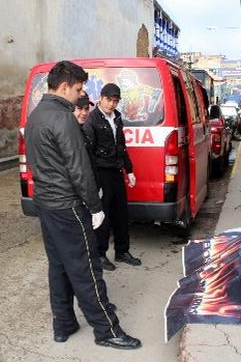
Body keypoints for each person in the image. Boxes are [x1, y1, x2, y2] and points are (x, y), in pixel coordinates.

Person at [25, 61, 141, 349]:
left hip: (47, 205)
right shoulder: (63, 118)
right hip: (68, 206)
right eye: (78, 89)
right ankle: (107, 330)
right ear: (64, 86)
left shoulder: (37, 115)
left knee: (60, 266)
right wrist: (96, 206)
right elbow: (79, 169)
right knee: (87, 268)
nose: (80, 95)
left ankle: (63, 324)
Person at [84, 83, 141, 271]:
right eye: (109, 100)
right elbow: (89, 154)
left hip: (116, 171)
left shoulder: (116, 117)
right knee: (103, 217)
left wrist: (129, 170)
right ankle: (100, 254)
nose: (112, 104)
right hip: (101, 172)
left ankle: (122, 251)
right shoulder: (92, 120)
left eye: (115, 101)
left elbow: (121, 146)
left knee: (121, 214)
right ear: (101, 98)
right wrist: (95, 183)